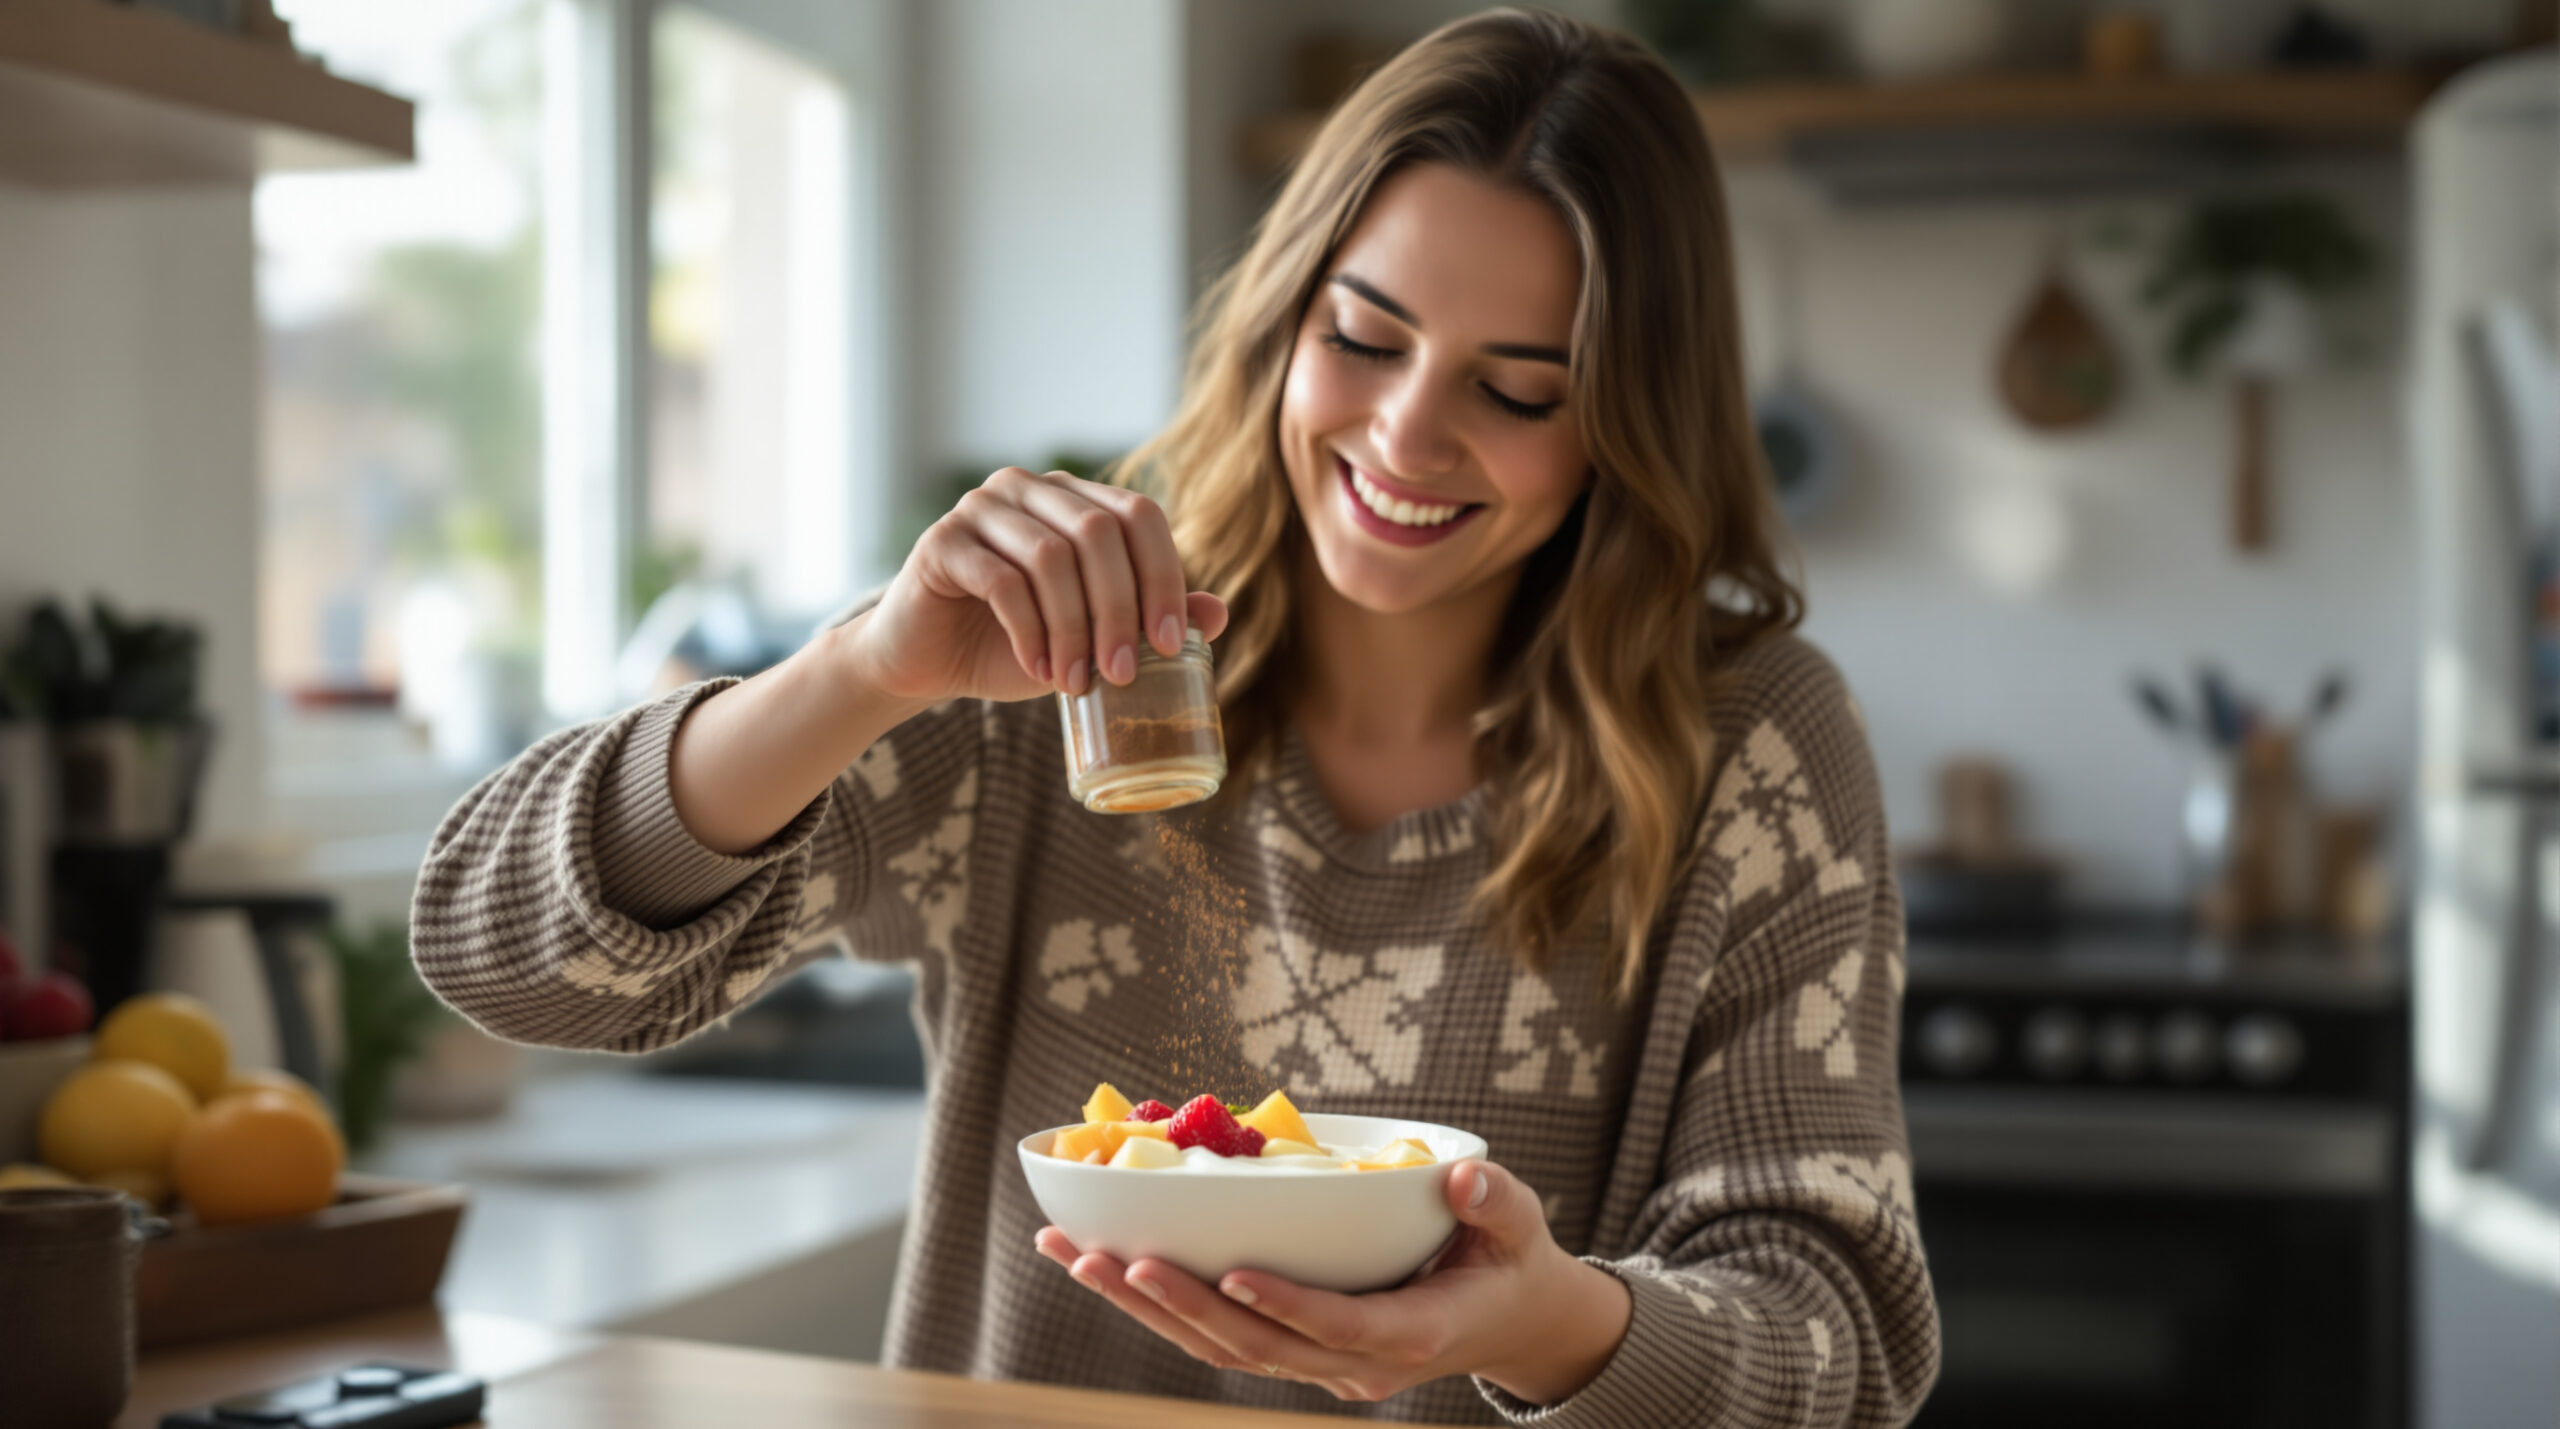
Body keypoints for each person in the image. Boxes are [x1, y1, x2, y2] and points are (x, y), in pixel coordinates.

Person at [412, 9, 1938, 1425]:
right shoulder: (1057, 665)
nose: (1404, 432)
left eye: (1520, 390)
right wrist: (860, 669)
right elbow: (507, 956)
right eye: (1363, 334)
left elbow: (1842, 1352)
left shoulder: (1749, 746)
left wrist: (1539, 1323)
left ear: (1625, 422)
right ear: (1284, 316)